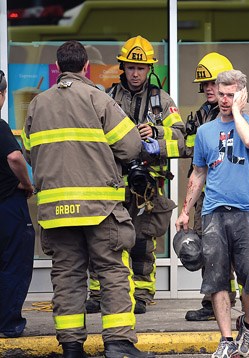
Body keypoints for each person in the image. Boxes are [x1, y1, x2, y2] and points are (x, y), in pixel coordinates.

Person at [21, 40, 154, 358]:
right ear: (85, 68)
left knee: (66, 274)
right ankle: (119, 343)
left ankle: (71, 347)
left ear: (58, 67)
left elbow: (29, 149)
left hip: (55, 210)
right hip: (99, 208)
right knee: (111, 271)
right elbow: (131, 146)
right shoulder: (98, 99)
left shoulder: (37, 105)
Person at [86, 35, 186, 315]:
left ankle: (141, 293)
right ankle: (98, 292)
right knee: (106, 238)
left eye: (140, 68)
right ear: (122, 67)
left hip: (148, 185)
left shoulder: (162, 101)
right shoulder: (108, 97)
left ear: (149, 69)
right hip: (113, 180)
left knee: (142, 240)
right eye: (130, 67)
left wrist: (156, 133)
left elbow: (182, 139)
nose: (135, 73)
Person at [175, 69, 249, 358]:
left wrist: (238, 112)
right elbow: (198, 173)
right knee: (216, 279)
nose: (224, 100)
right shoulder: (204, 132)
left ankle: (248, 326)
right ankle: (227, 340)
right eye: (222, 94)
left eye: (231, 95)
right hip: (214, 212)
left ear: (241, 94)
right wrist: (185, 211)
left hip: (245, 212)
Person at [0, 70, 35, 338]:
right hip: (7, 204)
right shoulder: (0, 127)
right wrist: (27, 183)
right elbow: (14, 157)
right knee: (14, 263)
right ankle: (8, 323)